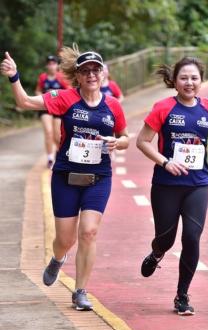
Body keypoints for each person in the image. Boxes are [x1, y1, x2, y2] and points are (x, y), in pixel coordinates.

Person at [1, 46, 129, 310]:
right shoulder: (65, 98)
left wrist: (118, 142)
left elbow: (126, 137)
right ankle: (58, 259)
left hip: (99, 177)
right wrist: (14, 77)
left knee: (89, 232)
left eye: (96, 70)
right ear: (78, 76)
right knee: (66, 239)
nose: (92, 75)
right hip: (66, 177)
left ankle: (80, 291)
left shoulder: (113, 106)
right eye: (86, 71)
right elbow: (25, 102)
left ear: (102, 74)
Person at [136, 57, 208, 316]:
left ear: (201, 80)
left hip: (197, 185)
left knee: (192, 238)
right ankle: (156, 253)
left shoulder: (207, 108)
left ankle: (182, 295)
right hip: (166, 184)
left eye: (194, 78)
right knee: (166, 239)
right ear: (175, 81)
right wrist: (165, 162)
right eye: (184, 78)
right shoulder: (163, 108)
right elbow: (142, 141)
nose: (189, 82)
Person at [35, 55, 70, 168]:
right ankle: (50, 158)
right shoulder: (43, 77)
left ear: (57, 65)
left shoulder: (61, 78)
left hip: (58, 109)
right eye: (49, 63)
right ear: (46, 65)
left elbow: (68, 92)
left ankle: (60, 155)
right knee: (48, 132)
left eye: (53, 63)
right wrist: (43, 98)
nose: (51, 66)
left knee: (57, 135)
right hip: (45, 108)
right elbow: (38, 91)